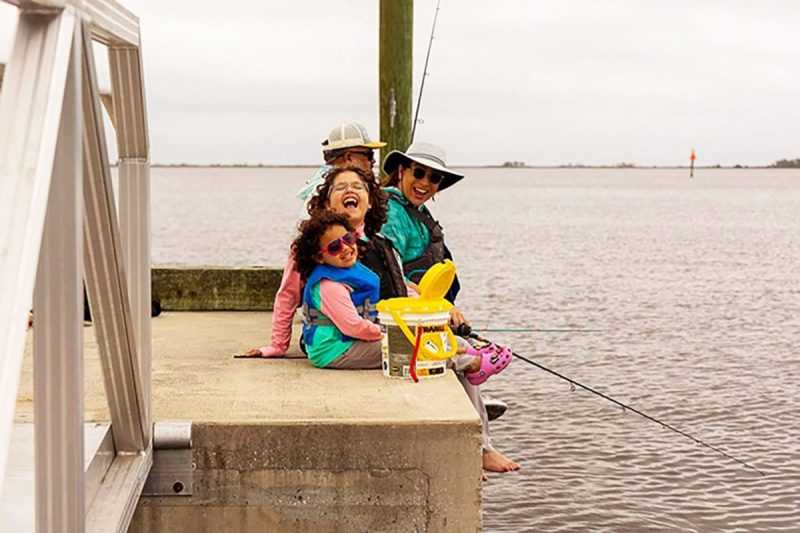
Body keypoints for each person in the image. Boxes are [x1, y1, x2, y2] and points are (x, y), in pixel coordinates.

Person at [380, 141, 521, 473]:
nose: (425, 183)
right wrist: (440, 307)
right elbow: (392, 272)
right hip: (403, 311)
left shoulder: (419, 213)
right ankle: (482, 447)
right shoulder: (390, 212)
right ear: (401, 171)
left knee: (465, 345)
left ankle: (474, 430)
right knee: (463, 352)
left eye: (434, 179)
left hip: (425, 310)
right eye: (419, 173)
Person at [293, 211, 511, 382]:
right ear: (318, 258)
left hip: (352, 341)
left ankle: (468, 350)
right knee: (408, 347)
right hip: (334, 350)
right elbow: (354, 327)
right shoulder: (329, 286)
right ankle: (471, 363)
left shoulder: (351, 269)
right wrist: (392, 332)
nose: (346, 248)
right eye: (334, 247)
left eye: (348, 238)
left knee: (422, 335)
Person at [243, 165, 399, 357]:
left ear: (370, 202)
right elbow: (288, 296)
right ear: (327, 203)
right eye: (340, 187)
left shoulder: (383, 245)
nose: (350, 190)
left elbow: (401, 285)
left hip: (378, 331)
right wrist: (277, 345)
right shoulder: (308, 248)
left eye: (358, 187)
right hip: (335, 342)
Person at [296, 122, 385, 214]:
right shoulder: (325, 191)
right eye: (369, 155)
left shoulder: (323, 186)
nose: (373, 161)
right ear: (348, 157)